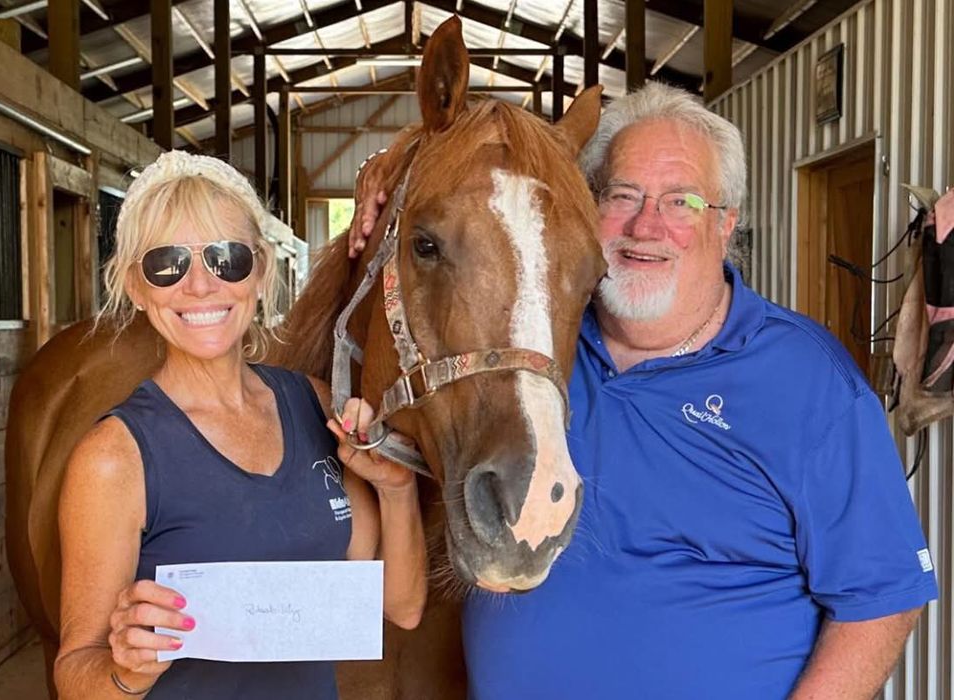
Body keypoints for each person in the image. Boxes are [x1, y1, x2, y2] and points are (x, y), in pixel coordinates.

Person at [349, 82, 938, 699]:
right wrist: (389, 169)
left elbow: (881, 603)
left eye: (681, 201)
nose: (646, 226)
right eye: (622, 195)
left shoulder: (810, 382)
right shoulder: (529, 354)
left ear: (726, 224)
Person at [53, 151, 427, 699]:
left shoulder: (316, 407)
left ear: (260, 272)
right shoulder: (113, 459)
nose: (200, 286)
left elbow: (402, 606)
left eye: (226, 258)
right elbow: (74, 673)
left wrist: (396, 489)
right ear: (137, 286)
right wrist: (127, 670)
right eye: (167, 263)